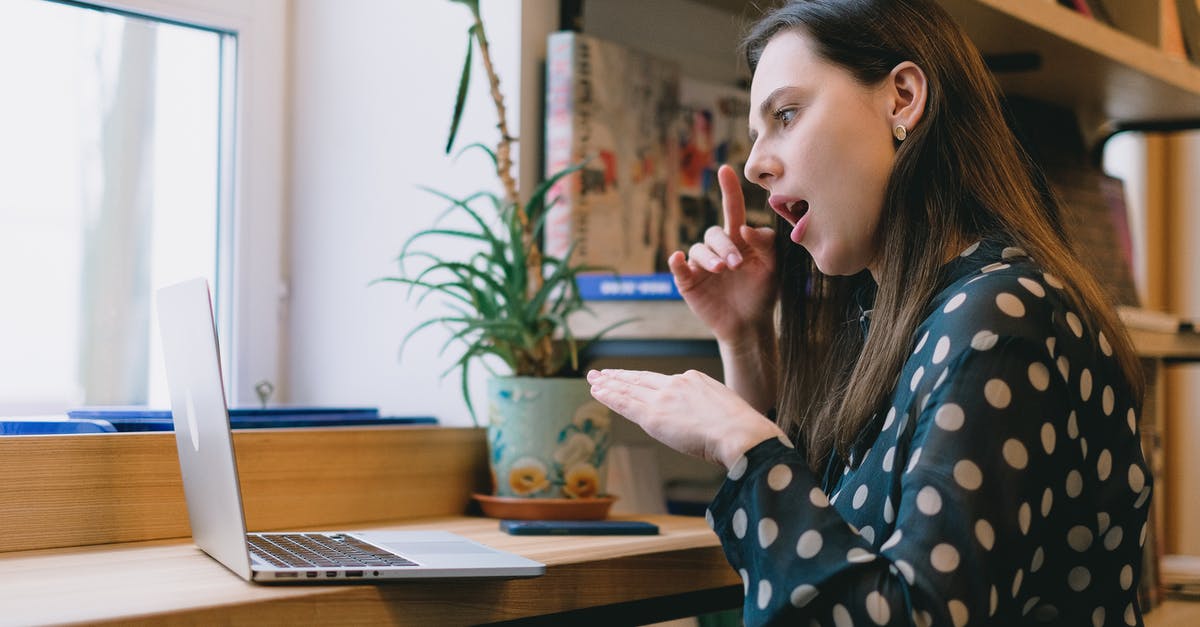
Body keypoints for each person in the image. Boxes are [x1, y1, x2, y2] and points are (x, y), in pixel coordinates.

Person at [585, 1, 1151, 625]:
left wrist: (741, 440)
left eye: (787, 114)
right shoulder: (898, 318)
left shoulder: (1000, 315)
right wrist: (745, 340)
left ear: (903, 98)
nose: (754, 164)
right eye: (756, 133)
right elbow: (832, 554)